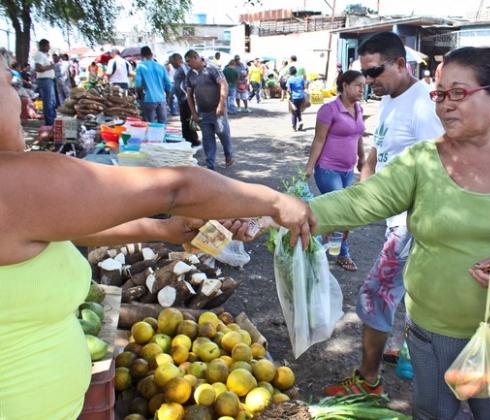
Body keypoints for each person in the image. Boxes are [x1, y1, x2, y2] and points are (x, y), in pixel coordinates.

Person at [0, 54, 315, 419]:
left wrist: (161, 229)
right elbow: (176, 188)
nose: (23, 100)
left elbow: (67, 226)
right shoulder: (12, 185)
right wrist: (275, 201)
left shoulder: (18, 202)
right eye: (9, 83)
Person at [305, 46, 490, 418]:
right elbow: (359, 201)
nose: (444, 105)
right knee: (431, 413)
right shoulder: (422, 159)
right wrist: (281, 212)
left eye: (457, 93)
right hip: (432, 331)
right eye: (439, 94)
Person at [323, 31, 444, 397]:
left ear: (401, 64)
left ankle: (368, 381)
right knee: (408, 295)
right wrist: (358, 202)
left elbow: (438, 173)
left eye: (375, 72)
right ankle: (406, 354)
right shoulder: (392, 99)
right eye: (364, 73)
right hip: (395, 220)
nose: (369, 81)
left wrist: (415, 226)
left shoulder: (424, 108)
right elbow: (376, 156)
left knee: (375, 295)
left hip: (412, 225)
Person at [305, 70, 366, 271]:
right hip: (328, 169)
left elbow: (359, 136)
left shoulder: (359, 108)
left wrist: (362, 158)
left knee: (339, 213)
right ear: (345, 85)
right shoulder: (328, 110)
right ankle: (340, 253)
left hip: (348, 171)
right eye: (358, 85)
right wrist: (309, 167)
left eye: (363, 86)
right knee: (340, 211)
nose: (362, 89)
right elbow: (319, 139)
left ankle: (319, 249)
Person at [185, 49, 234, 170]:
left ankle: (228, 155)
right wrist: (194, 113)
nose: (188, 64)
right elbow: (189, 95)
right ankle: (210, 165)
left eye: (189, 61)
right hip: (203, 113)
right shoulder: (190, 74)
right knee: (207, 139)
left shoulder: (212, 69)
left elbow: (224, 85)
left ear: (196, 57)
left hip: (217, 111)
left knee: (223, 134)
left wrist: (221, 104)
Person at [169, 53, 200, 146]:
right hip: (181, 98)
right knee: (185, 120)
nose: (171, 64)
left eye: (172, 62)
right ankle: (187, 138)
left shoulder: (184, 68)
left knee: (188, 120)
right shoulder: (179, 69)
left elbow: (190, 80)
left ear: (177, 60)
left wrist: (187, 94)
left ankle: (192, 139)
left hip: (186, 98)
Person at [135, 46, 171, 123]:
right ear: (151, 54)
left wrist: (139, 95)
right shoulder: (160, 66)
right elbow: (168, 84)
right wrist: (167, 96)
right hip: (161, 99)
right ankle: (161, 135)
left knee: (150, 124)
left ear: (142, 55)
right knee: (162, 123)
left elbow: (138, 85)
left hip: (148, 98)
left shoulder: (140, 66)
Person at [33, 39, 56, 125]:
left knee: (51, 102)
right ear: (42, 46)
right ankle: (50, 123)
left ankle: (52, 121)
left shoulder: (43, 55)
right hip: (45, 80)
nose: (49, 47)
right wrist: (51, 67)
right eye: (47, 46)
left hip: (48, 80)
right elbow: (38, 68)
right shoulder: (39, 55)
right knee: (48, 102)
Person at [287, 66, 307, 131]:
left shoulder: (290, 79)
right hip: (301, 97)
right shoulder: (301, 78)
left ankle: (294, 127)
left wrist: (290, 95)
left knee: (294, 112)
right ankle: (300, 122)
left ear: (290, 72)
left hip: (294, 97)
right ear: (296, 71)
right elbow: (304, 87)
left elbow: (288, 90)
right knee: (298, 111)